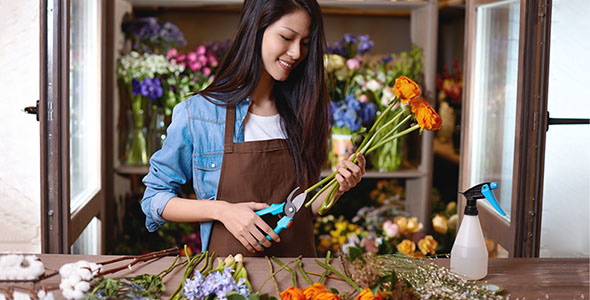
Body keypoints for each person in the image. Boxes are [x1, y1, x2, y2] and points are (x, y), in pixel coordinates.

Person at [141, 0, 366, 257]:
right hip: (231, 284)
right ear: (256, 29)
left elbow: (303, 209)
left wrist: (337, 186)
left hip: (300, 284)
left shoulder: (303, 110)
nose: (296, 53)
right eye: (286, 37)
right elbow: (154, 199)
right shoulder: (199, 113)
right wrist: (221, 210)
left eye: (304, 43)